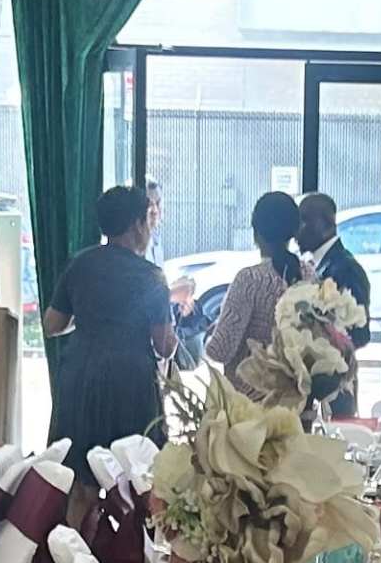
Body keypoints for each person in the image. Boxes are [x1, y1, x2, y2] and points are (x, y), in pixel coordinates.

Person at [44, 182, 174, 468]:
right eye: (148, 219)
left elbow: (52, 325)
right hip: (130, 381)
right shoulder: (151, 276)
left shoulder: (79, 264)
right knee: (136, 473)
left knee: (79, 473)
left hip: (80, 376)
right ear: (137, 224)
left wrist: (87, 318)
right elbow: (164, 345)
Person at [199, 188, 301, 391]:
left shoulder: (250, 280)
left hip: (250, 401)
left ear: (256, 233)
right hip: (295, 397)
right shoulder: (309, 276)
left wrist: (210, 335)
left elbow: (220, 350)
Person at [292, 192, 369, 416]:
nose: (296, 233)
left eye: (303, 221)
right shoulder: (314, 265)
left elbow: (360, 333)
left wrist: (322, 345)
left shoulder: (346, 268)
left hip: (336, 390)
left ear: (324, 223)